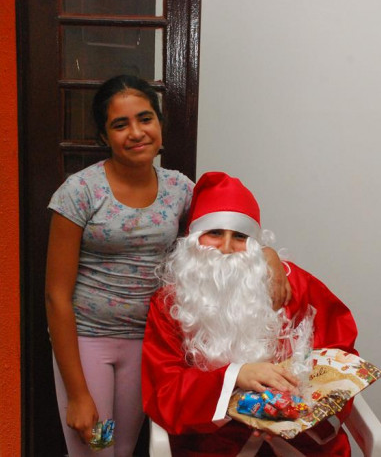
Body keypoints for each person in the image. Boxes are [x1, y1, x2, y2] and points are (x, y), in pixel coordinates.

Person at [45, 75, 291, 456]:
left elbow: (223, 229)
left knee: (125, 448)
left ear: (159, 125)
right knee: (96, 448)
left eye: (145, 119)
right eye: (120, 124)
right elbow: (56, 296)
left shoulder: (180, 189)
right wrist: (78, 394)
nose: (136, 132)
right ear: (104, 136)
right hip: (90, 342)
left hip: (147, 345)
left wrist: (268, 254)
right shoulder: (79, 192)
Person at [142, 172, 359, 456]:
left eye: (240, 236)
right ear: (193, 239)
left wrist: (296, 406)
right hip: (216, 441)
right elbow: (165, 391)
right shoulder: (170, 304)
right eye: (215, 233)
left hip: (298, 438)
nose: (227, 248)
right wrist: (235, 376)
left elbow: (339, 356)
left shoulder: (294, 285)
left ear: (257, 244)